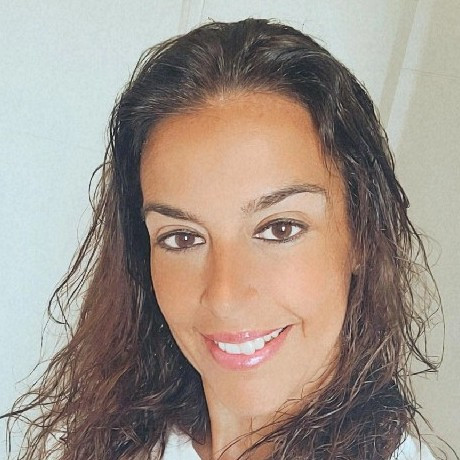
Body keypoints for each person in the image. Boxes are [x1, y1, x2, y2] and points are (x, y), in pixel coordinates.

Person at [3, 18, 448, 459]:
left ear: (363, 235)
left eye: (279, 229)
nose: (224, 296)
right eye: (182, 238)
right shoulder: (117, 439)